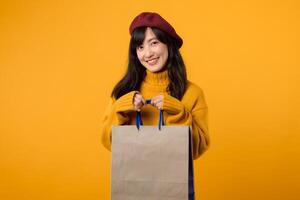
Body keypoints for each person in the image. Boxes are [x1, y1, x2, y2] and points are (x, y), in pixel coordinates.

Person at [100, 12, 210, 160]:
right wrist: (120, 109)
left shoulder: (193, 93)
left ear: (168, 45)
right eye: (140, 47)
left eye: (154, 43)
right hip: (133, 179)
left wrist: (179, 113)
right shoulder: (123, 91)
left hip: (173, 181)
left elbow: (197, 149)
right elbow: (108, 142)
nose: (147, 53)